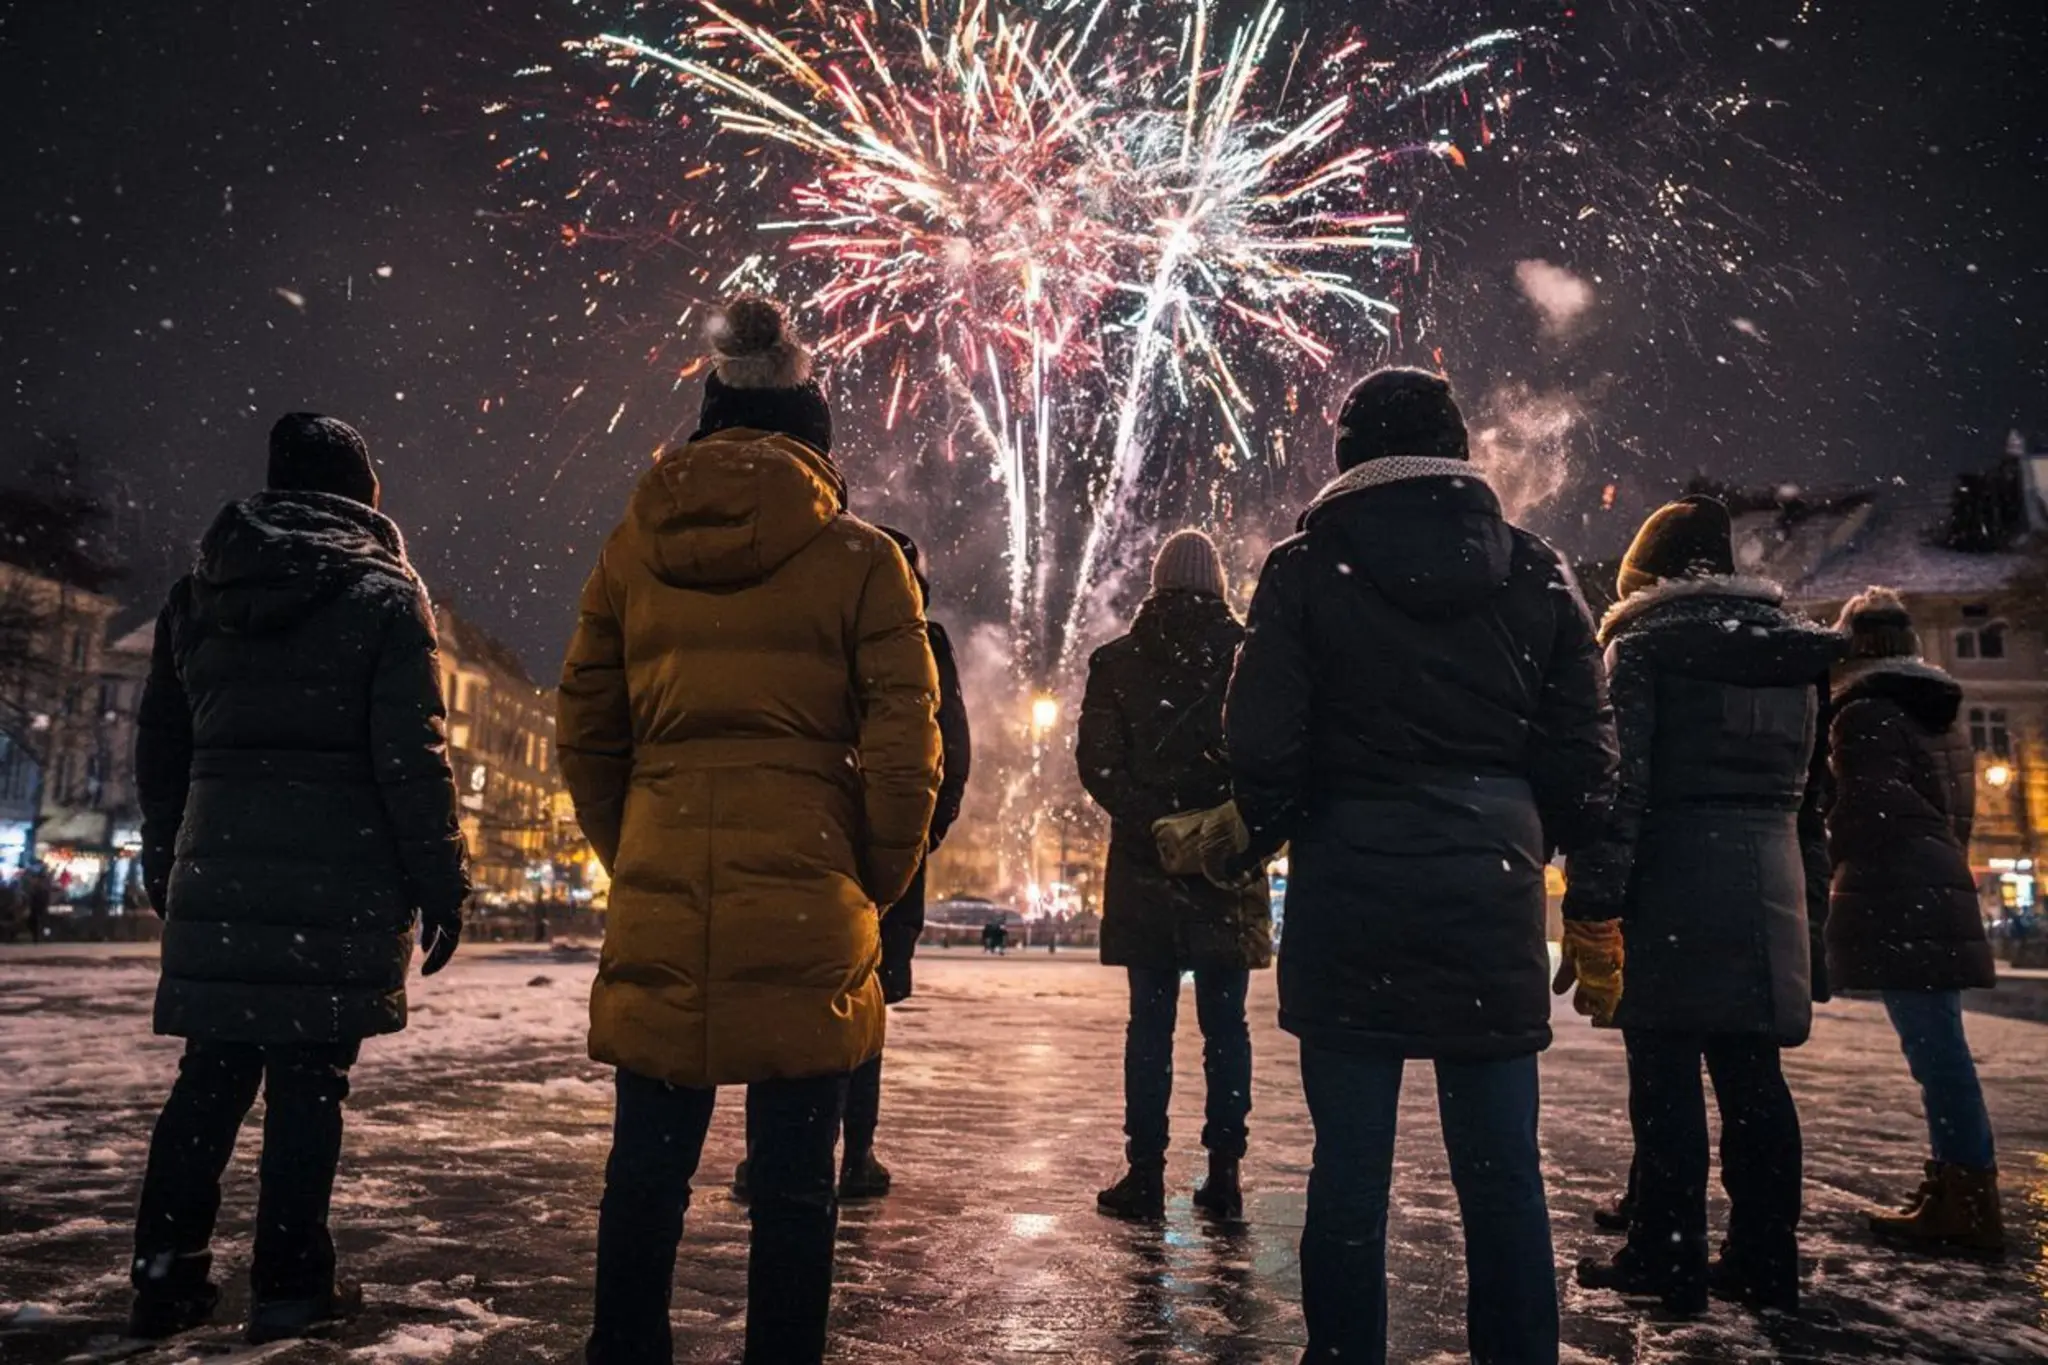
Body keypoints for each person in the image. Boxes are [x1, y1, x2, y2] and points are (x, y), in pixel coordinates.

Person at [558, 295, 941, 1365]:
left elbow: (584, 729)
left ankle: (625, 1348)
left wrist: (635, 847)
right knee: (791, 1185)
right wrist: (868, 873)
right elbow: (910, 746)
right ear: (814, 437)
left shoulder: (629, 551)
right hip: (810, 890)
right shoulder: (864, 560)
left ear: (706, 422)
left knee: (646, 1167)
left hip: (664, 873)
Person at [1225, 368, 1617, 1364]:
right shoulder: (1535, 571)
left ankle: (1343, 1353)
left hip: (1350, 877)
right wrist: (1582, 884)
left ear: (1348, 457)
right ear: (1458, 453)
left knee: (1348, 1172)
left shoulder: (1304, 569)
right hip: (1488, 885)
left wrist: (1266, 829)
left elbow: (1263, 741)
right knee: (1501, 1178)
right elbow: (1585, 754)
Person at [128, 413, 470, 1343]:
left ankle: (165, 1279)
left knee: (209, 1078)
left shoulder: (198, 592)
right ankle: (288, 1282)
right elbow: (413, 758)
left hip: (221, 875)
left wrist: (168, 853)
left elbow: (161, 745)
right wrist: (441, 879)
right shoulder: (385, 595)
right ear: (363, 496)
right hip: (337, 882)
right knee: (310, 1083)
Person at [1570, 495, 1844, 1316]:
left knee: (1664, 1078)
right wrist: (1814, 926)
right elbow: (1811, 807)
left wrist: (1592, 907)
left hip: (1674, 880)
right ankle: (1765, 1259)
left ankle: (1667, 1254)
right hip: (1772, 882)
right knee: (1756, 1078)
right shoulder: (1796, 653)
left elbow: (1622, 792)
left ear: (1647, 576)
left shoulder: (1644, 645)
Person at [730, 525, 972, 1205]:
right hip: (881, 850)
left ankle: (767, 1155)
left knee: (787, 996)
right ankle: (856, 1154)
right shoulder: (924, 638)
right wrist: (916, 837)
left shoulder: (810, 611)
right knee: (862, 1008)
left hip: (807, 839)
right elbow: (946, 753)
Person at [1077, 528, 1273, 1223]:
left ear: (1155, 585)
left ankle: (1145, 1172)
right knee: (1227, 1025)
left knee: (1148, 1026)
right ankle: (1225, 1173)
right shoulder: (1253, 655)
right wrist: (1222, 825)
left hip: (1144, 868)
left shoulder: (1119, 661)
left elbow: (1098, 766)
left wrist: (1155, 824)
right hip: (1228, 865)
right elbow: (1273, 756)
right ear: (1218, 584)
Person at [1825, 587, 2003, 1254]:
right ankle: (1957, 1182)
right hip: (1940, 880)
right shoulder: (1941, 710)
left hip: (1902, 891)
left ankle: (1967, 1198)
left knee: (1936, 1052)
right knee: (1941, 1048)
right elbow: (1955, 806)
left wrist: (1832, 849)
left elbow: (1867, 809)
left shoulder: (1864, 712)